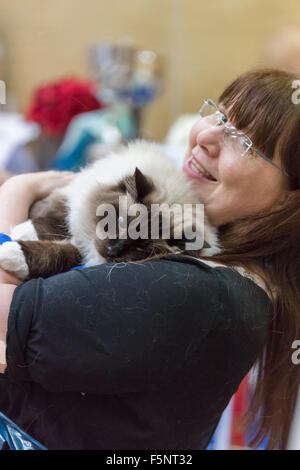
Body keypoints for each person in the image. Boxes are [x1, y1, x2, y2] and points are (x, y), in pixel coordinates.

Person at [0, 68, 299, 450]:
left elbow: (6, 319)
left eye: (244, 141)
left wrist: (15, 192)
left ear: (290, 198)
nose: (206, 136)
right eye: (221, 116)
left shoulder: (195, 292)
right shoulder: (209, 262)